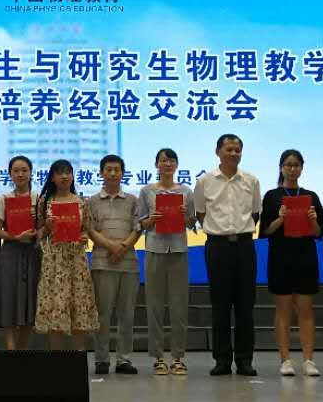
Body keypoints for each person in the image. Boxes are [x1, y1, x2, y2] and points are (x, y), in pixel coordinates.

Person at [194, 134, 262, 376]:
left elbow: (255, 213)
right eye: (229, 149)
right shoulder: (204, 182)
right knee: (220, 305)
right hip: (217, 247)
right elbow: (201, 213)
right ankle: (222, 359)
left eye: (237, 150)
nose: (233, 153)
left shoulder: (251, 180)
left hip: (244, 246)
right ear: (218, 152)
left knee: (245, 305)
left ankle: (244, 360)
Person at [259, 148, 323, 377]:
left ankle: (308, 360)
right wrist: (281, 218)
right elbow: (266, 230)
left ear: (302, 168)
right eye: (288, 165)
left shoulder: (311, 196)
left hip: (305, 256)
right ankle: (285, 360)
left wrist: (313, 220)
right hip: (280, 257)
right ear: (281, 168)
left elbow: (319, 232)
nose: (292, 169)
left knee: (306, 309)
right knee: (283, 310)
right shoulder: (271, 196)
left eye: (296, 165)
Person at [136, 147, 195, 376]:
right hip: (154, 250)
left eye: (171, 160)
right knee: (154, 305)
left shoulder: (186, 191)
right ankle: (158, 358)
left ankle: (178, 358)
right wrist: (150, 219)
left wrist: (185, 215)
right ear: (156, 165)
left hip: (178, 250)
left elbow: (192, 223)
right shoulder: (147, 191)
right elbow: (140, 222)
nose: (167, 164)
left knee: (179, 306)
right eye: (163, 160)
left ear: (176, 165)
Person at [86, 153, 142, 375]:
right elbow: (90, 230)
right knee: (102, 314)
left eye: (116, 170)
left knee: (127, 314)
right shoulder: (91, 201)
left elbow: (138, 228)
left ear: (122, 173)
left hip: (128, 264)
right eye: (108, 169)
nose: (112, 173)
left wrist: (123, 247)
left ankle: (123, 359)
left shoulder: (133, 200)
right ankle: (101, 359)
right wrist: (111, 246)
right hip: (102, 263)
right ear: (101, 173)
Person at [34, 159, 98, 350]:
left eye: (68, 172)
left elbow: (86, 229)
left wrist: (84, 237)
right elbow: (38, 235)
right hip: (54, 261)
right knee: (56, 306)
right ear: (52, 178)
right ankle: (57, 360)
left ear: (72, 176)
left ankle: (78, 357)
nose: (64, 176)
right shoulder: (45, 202)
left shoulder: (81, 202)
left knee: (79, 306)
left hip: (76, 260)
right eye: (59, 173)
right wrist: (47, 227)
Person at [0, 155, 40, 349]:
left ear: (31, 173)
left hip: (33, 253)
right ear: (10, 174)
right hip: (11, 253)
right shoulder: (3, 199)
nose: (20, 174)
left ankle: (22, 351)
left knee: (30, 300)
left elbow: (45, 228)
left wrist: (39, 225)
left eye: (24, 170)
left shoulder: (39, 199)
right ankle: (11, 351)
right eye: (16, 170)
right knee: (9, 299)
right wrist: (15, 236)